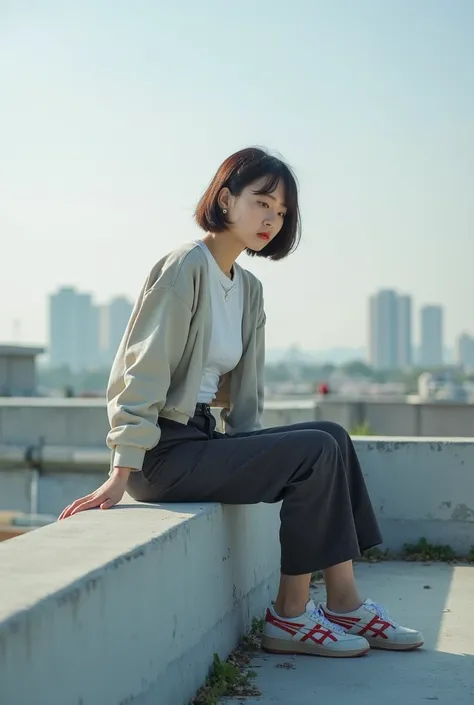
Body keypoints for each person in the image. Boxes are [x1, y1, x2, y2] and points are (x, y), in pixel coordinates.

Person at [59, 147, 423, 658]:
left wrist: (254, 453)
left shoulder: (248, 289)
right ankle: (290, 616)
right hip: (162, 454)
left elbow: (245, 397)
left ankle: (344, 602)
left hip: (204, 440)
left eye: (282, 212)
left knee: (331, 438)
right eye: (262, 203)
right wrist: (122, 471)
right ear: (225, 199)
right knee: (313, 451)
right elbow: (143, 369)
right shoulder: (185, 266)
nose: (272, 219)